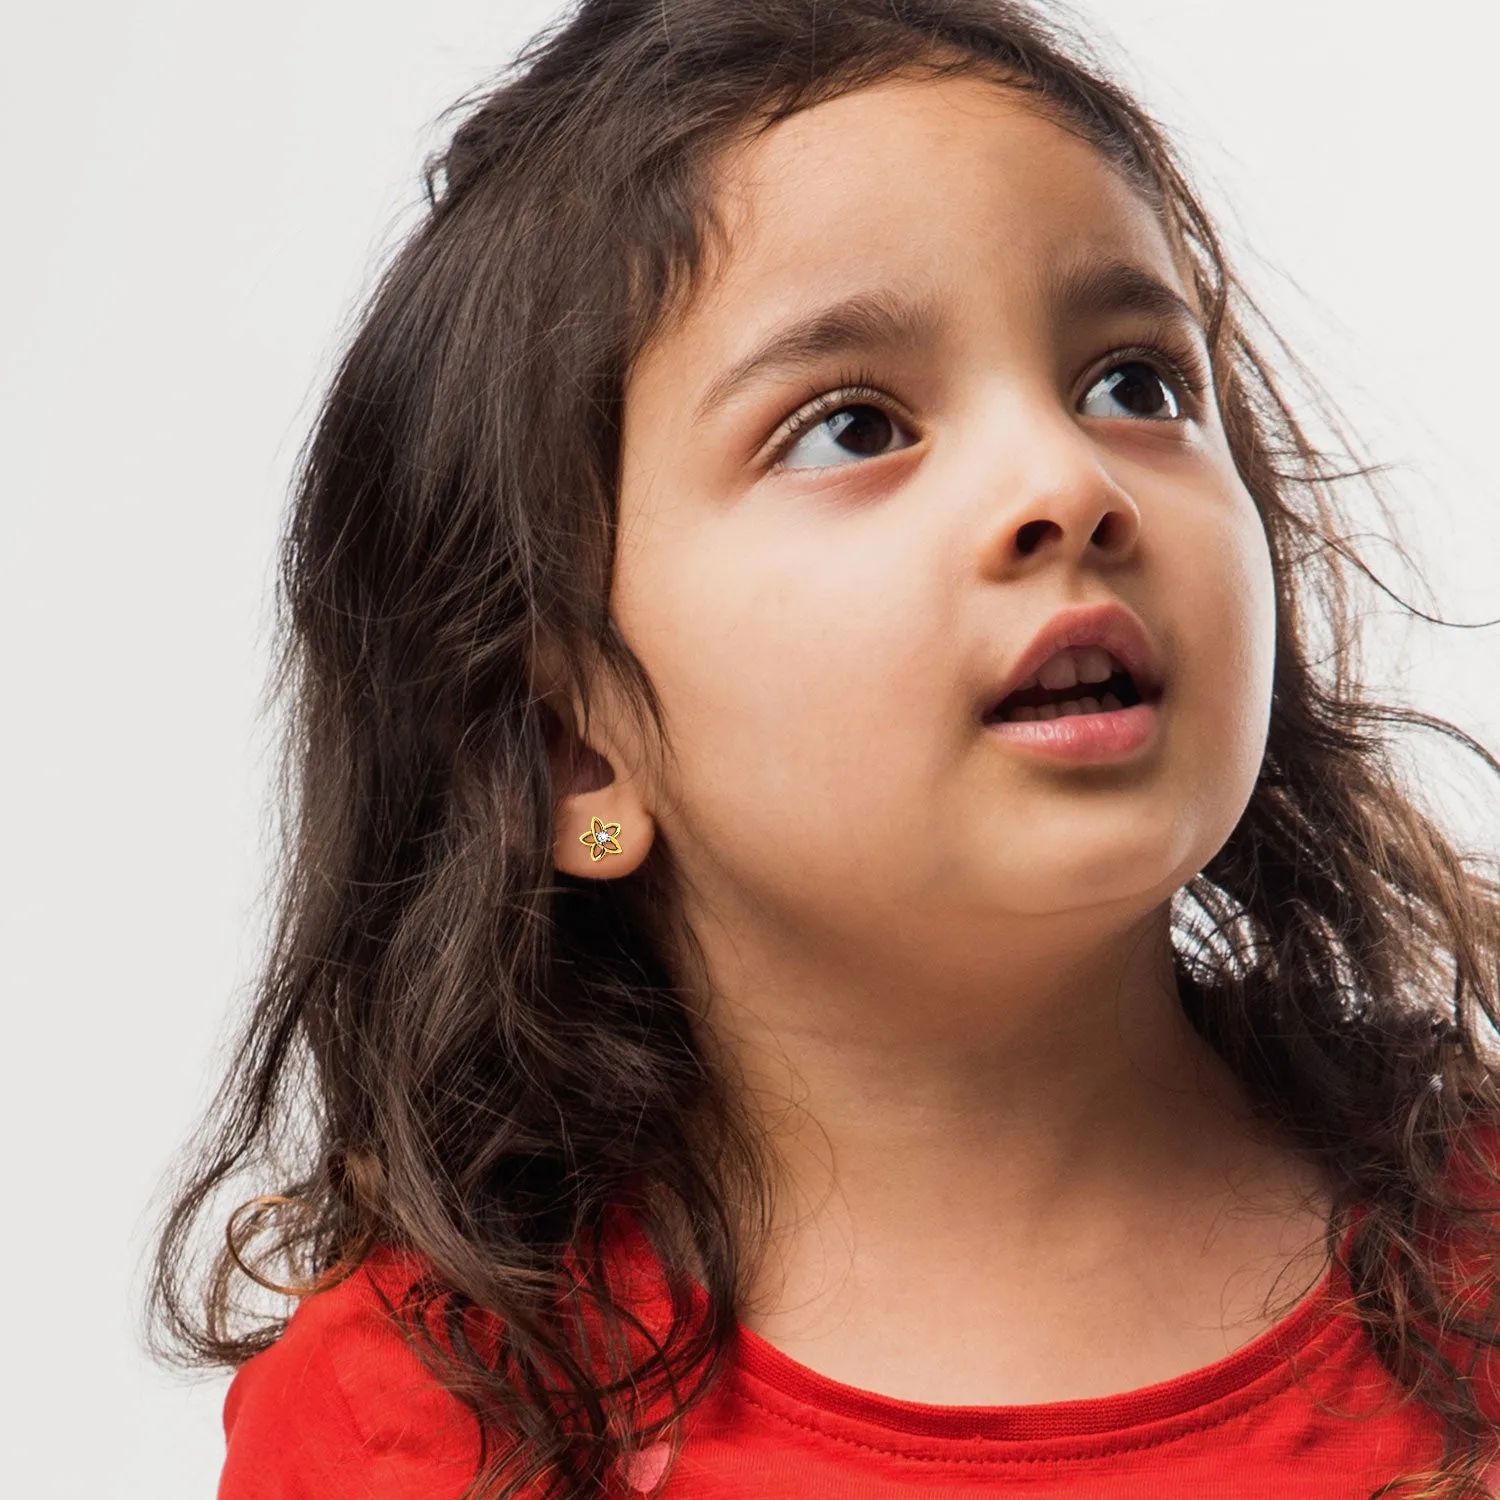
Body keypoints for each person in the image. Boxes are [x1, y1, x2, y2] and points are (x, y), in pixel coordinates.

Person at [151, 1, 1500, 1495]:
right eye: (853, 426)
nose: (1069, 480)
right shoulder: (416, 1425)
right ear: (572, 747)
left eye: (1137, 384)